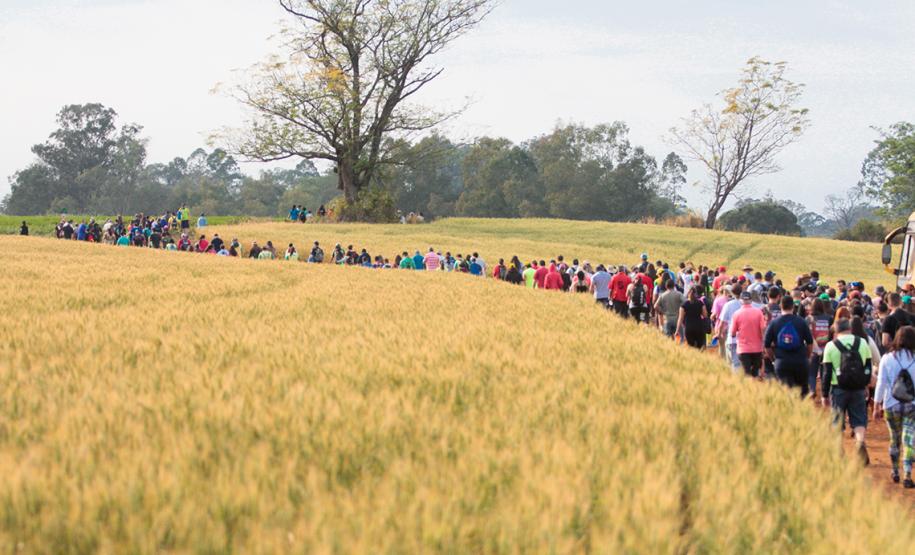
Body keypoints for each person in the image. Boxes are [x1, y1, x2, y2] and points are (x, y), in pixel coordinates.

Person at [823, 318, 874, 465]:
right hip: (858, 388)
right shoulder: (862, 343)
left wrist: (824, 394)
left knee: (837, 421)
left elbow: (826, 373)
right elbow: (868, 367)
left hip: (838, 388)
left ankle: (838, 451)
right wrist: (865, 384)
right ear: (850, 329)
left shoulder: (830, 346)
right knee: (859, 419)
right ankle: (860, 442)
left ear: (836, 331)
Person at [874, 326, 915, 487]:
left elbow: (881, 383)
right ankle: (907, 473)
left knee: (894, 439)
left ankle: (894, 470)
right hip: (912, 404)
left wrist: (877, 404)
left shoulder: (887, 358)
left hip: (891, 404)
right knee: (909, 439)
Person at [765, 296, 815, 396]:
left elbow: (767, 345)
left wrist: (773, 359)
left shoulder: (774, 323)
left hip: (782, 362)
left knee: (785, 394)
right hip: (800, 361)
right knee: (802, 394)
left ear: (780, 306)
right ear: (793, 306)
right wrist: (807, 357)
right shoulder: (801, 321)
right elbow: (810, 342)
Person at [730, 291, 767, 378]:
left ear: (741, 301)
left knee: (746, 373)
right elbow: (763, 329)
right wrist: (763, 343)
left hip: (743, 349)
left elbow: (732, 333)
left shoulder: (736, 314)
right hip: (757, 348)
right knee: (755, 373)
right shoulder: (758, 312)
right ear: (751, 300)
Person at [677, 285, 709, 349]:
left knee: (691, 347)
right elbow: (705, 315)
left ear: (688, 293)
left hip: (688, 327)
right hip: (699, 327)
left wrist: (677, 330)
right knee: (699, 347)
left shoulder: (684, 305)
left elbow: (680, 318)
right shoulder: (700, 303)